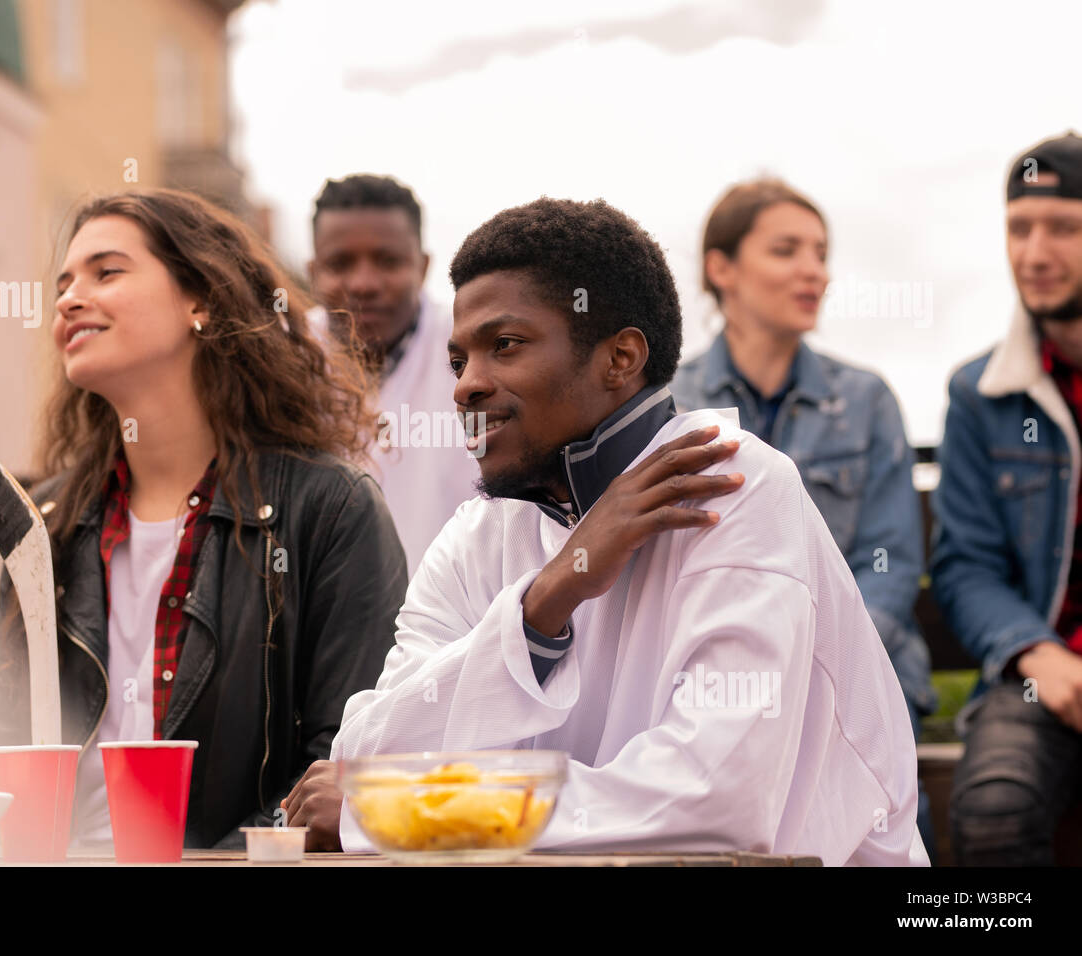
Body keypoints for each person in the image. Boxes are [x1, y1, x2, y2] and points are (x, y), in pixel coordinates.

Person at [282, 197, 929, 865]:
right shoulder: (479, 533)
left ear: (620, 358)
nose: (467, 386)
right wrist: (543, 603)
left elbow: (714, 804)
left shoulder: (733, 486)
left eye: (504, 346)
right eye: (457, 360)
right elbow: (368, 764)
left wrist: (409, 815)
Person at [0, 188, 408, 850]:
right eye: (63, 283)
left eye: (106, 272)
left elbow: (345, 771)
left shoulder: (330, 511)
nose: (69, 298)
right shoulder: (43, 526)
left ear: (199, 299)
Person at [671, 178, 937, 856]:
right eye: (787, 250)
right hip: (714, 660)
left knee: (882, 792)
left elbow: (891, 560)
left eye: (821, 252)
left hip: (855, 663)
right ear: (720, 268)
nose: (813, 269)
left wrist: (813, 661)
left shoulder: (865, 400)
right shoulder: (672, 403)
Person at [933, 132, 1082, 866]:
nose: (1035, 251)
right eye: (1020, 227)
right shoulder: (981, 393)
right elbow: (965, 565)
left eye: (1064, 227)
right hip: (1044, 678)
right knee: (994, 807)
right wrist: (1037, 653)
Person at [307, 174, 481, 576]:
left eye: (388, 261)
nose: (364, 284)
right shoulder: (280, 359)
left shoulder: (477, 355)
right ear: (313, 270)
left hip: (455, 625)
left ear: (422, 267)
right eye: (340, 264)